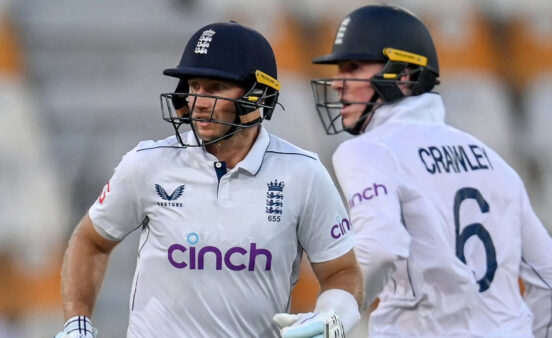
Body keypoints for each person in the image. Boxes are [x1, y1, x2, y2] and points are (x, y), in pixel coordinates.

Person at [55, 21, 363, 338]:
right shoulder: (147, 163)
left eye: (215, 88)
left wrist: (333, 316)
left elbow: (342, 271)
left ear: (258, 95)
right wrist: (77, 322)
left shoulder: (303, 174)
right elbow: (91, 241)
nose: (197, 102)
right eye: (193, 86)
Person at [311, 5, 552, 337]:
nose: (337, 83)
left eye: (353, 67)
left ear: (404, 75)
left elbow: (380, 248)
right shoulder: (493, 160)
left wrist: (332, 315)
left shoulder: (368, 150)